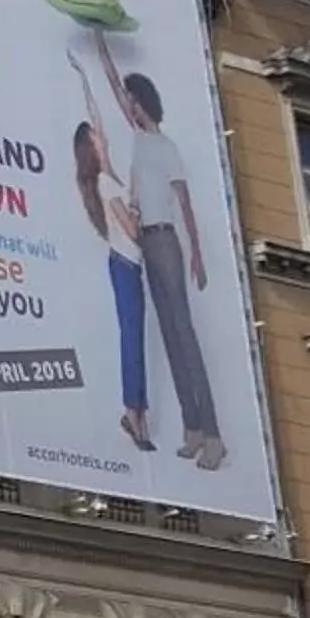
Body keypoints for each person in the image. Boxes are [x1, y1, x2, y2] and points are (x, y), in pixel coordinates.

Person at [97, 33, 225, 470]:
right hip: (146, 241)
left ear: (144, 102)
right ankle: (191, 429)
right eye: (127, 99)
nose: (128, 104)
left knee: (185, 333)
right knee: (169, 334)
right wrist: (100, 44)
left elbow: (184, 202)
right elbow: (113, 88)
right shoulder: (137, 139)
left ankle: (213, 435)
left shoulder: (165, 147)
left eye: (134, 99)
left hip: (166, 240)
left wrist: (198, 254)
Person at [71, 56, 153, 451]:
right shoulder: (106, 182)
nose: (103, 136)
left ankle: (136, 412)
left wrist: (85, 76)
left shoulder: (107, 175)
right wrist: (142, 215)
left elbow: (96, 116)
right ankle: (135, 414)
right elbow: (133, 231)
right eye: (97, 137)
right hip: (125, 265)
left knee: (133, 338)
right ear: (92, 147)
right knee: (133, 340)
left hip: (124, 266)